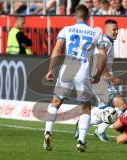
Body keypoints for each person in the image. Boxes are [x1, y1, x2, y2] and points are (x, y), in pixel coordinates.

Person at [43, 4, 106, 152]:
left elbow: (57, 49)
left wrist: (50, 70)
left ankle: (48, 132)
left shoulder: (67, 29)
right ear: (88, 17)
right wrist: (98, 74)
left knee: (56, 102)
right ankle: (81, 141)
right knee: (85, 107)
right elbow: (102, 54)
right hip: (83, 71)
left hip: (67, 68)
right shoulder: (95, 33)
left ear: (75, 16)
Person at [74, 19, 127, 142]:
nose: (116, 32)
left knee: (104, 112)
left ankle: (83, 123)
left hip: (99, 80)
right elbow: (98, 60)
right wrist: (111, 77)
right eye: (114, 29)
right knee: (122, 105)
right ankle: (100, 130)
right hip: (99, 80)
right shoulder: (105, 42)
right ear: (106, 29)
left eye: (117, 29)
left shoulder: (107, 42)